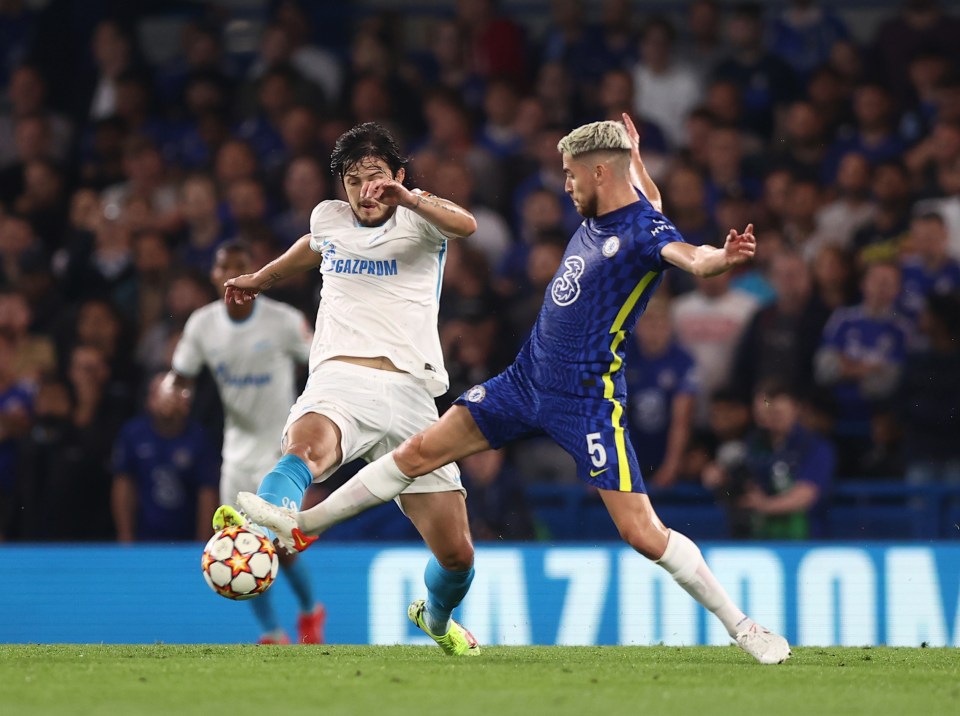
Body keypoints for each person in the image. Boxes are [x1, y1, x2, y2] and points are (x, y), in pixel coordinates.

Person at [239, 115, 792, 665]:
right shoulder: (614, 206)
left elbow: (691, 256)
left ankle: (743, 627)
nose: (566, 185)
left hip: (586, 400)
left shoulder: (644, 231)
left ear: (600, 172)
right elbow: (646, 189)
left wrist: (722, 259)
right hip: (524, 379)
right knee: (418, 451)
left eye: (572, 175)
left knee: (642, 532)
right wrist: (637, 153)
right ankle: (305, 522)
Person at [215, 122, 481, 656]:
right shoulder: (329, 218)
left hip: (412, 394)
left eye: (376, 177)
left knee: (457, 557)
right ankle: (259, 535)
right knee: (305, 449)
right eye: (354, 180)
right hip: (340, 377)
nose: (365, 191)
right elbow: (309, 248)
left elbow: (467, 225)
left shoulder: (421, 220)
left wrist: (411, 198)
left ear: (398, 176)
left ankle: (435, 616)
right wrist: (259, 280)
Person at [162, 241, 325, 645]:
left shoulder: (284, 321)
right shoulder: (202, 325)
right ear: (215, 276)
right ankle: (271, 631)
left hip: (281, 451)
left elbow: (322, 362)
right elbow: (179, 376)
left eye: (241, 266)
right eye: (224, 267)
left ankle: (310, 610)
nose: (232, 273)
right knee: (238, 545)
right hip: (236, 452)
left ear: (256, 273)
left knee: (283, 551)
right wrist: (171, 392)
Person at [111, 374, 220, 543]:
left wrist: (203, 543)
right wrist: (125, 536)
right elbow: (124, 485)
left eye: (175, 394)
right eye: (160, 394)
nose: (168, 401)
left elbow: (207, 493)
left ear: (187, 402)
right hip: (142, 538)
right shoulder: (133, 434)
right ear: (149, 400)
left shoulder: (200, 438)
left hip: (186, 539)